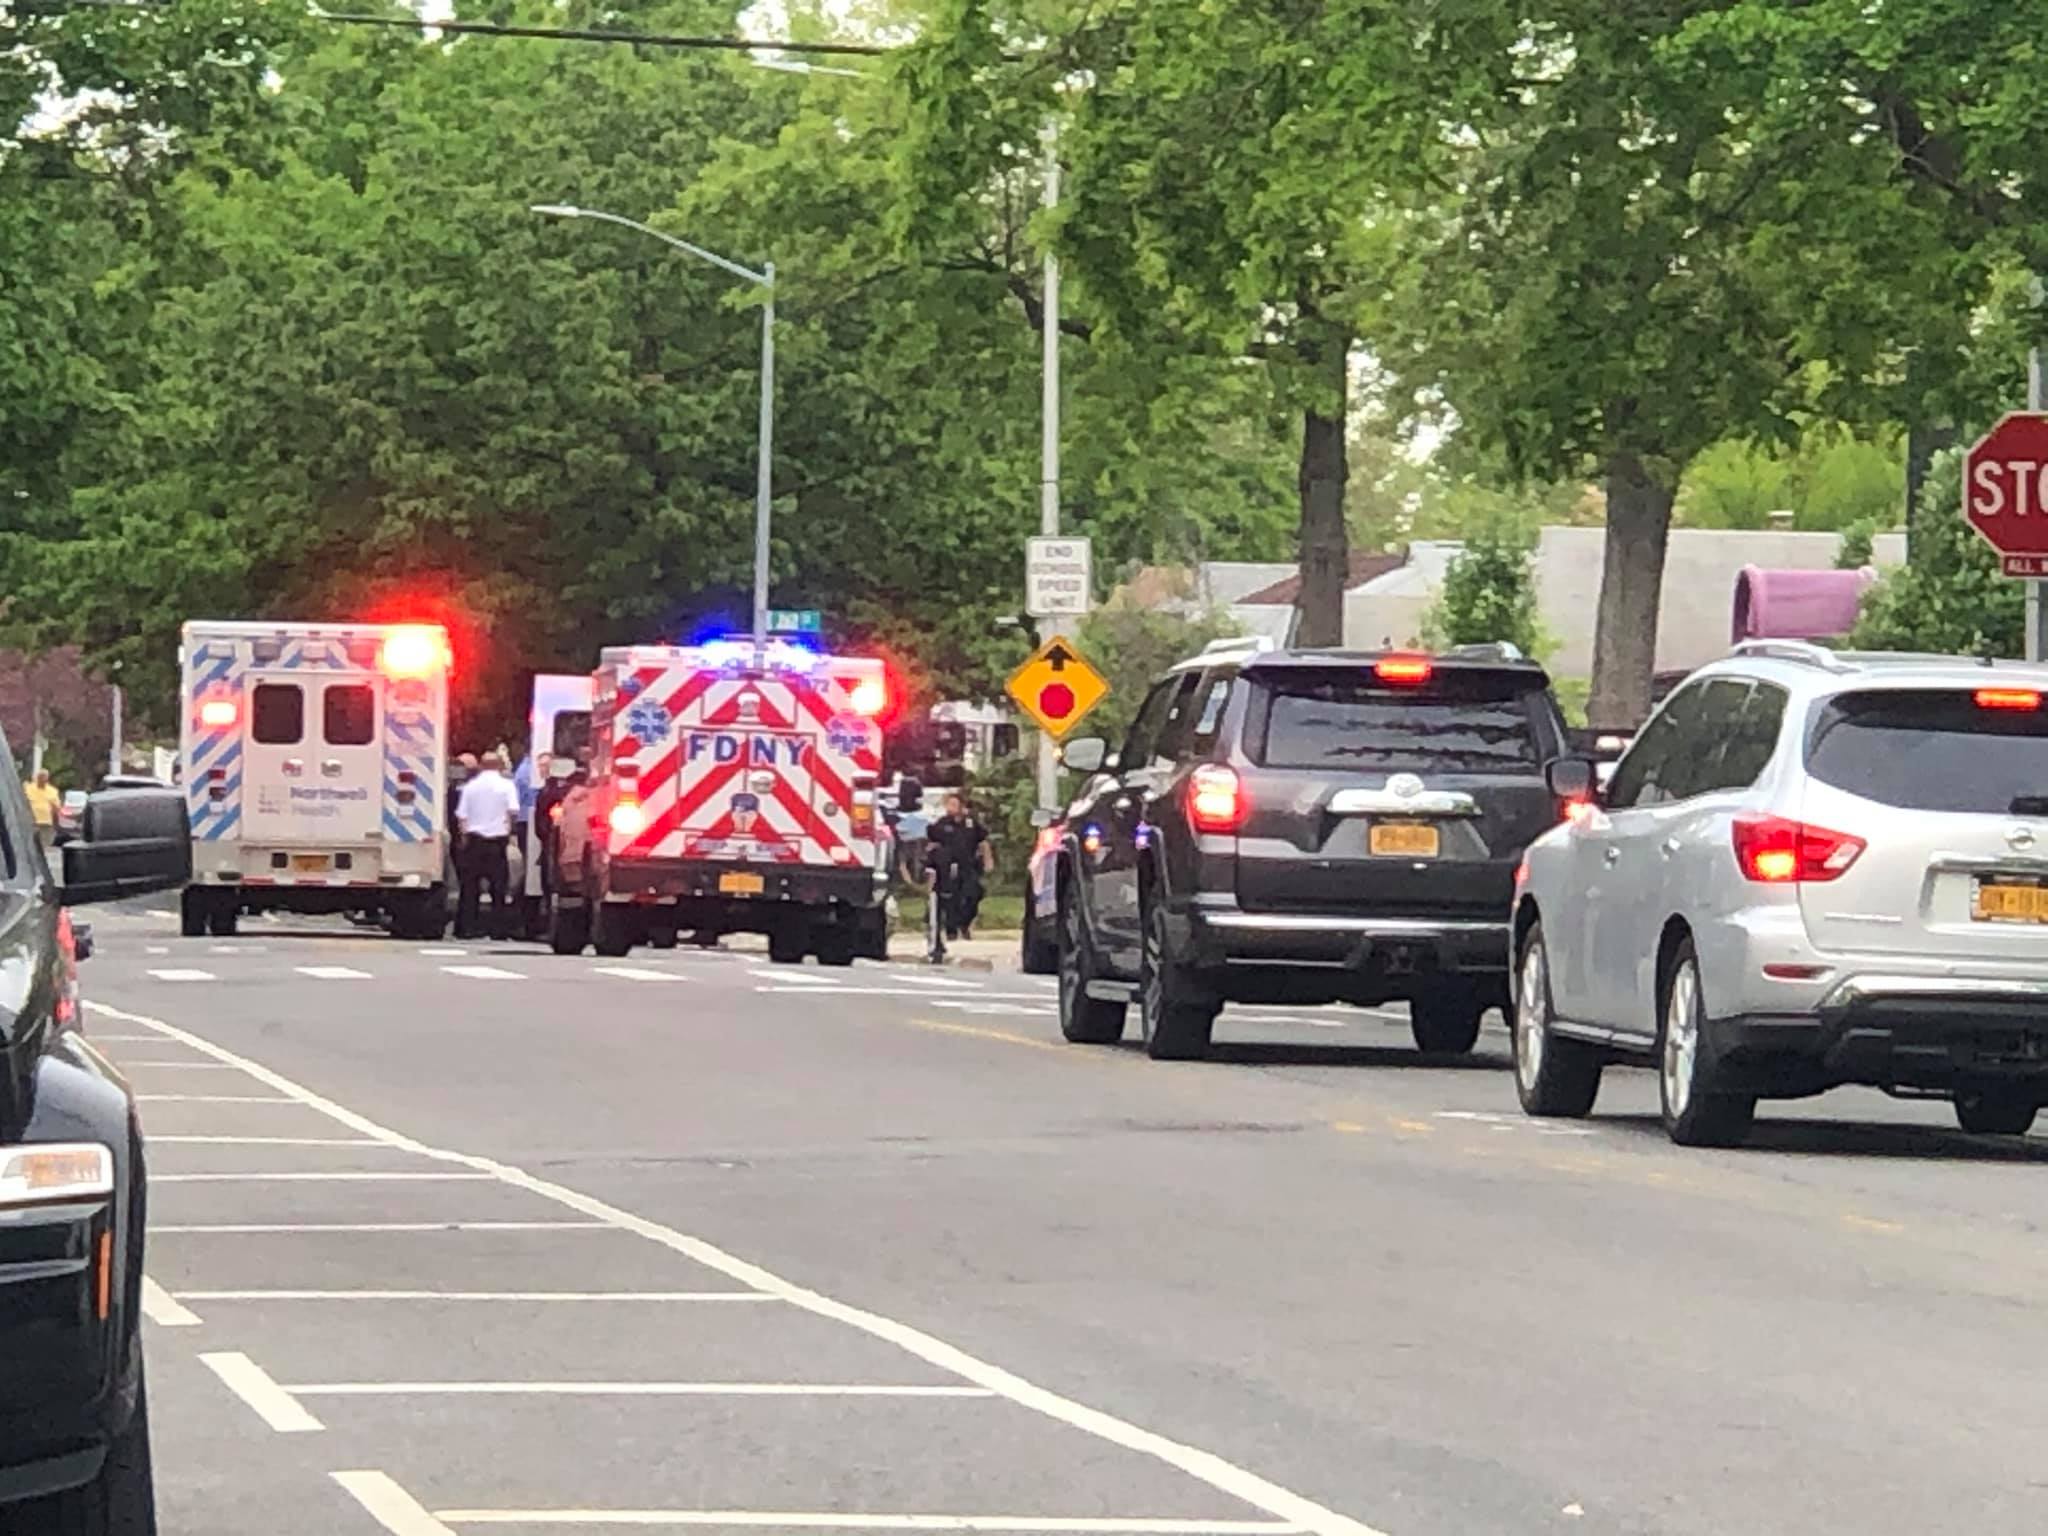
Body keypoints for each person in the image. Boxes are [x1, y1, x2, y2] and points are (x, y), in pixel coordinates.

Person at [454, 751, 520, 939]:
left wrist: (464, 838)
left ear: (481, 766)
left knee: (469, 888)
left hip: (475, 841)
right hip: (497, 842)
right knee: (498, 889)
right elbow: (513, 811)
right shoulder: (507, 786)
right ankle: (498, 930)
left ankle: (466, 928)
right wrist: (510, 832)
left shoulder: (471, 787)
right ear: (499, 765)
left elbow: (462, 816)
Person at [924, 792, 993, 942]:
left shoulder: (971, 823)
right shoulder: (942, 824)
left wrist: (988, 860)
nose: (951, 808)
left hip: (968, 866)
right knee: (950, 897)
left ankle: (965, 923)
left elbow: (983, 841)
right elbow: (932, 843)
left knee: (974, 893)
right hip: (947, 868)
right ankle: (951, 930)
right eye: (949, 805)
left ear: (962, 806)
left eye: (954, 805)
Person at [24, 769, 61, 854]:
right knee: (31, 843)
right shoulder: (29, 788)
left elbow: (57, 807)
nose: (42, 779)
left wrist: (56, 823)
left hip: (46, 822)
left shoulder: (52, 791)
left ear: (47, 779)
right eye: (40, 777)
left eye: (44, 778)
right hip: (32, 821)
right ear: (37, 778)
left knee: (43, 845)